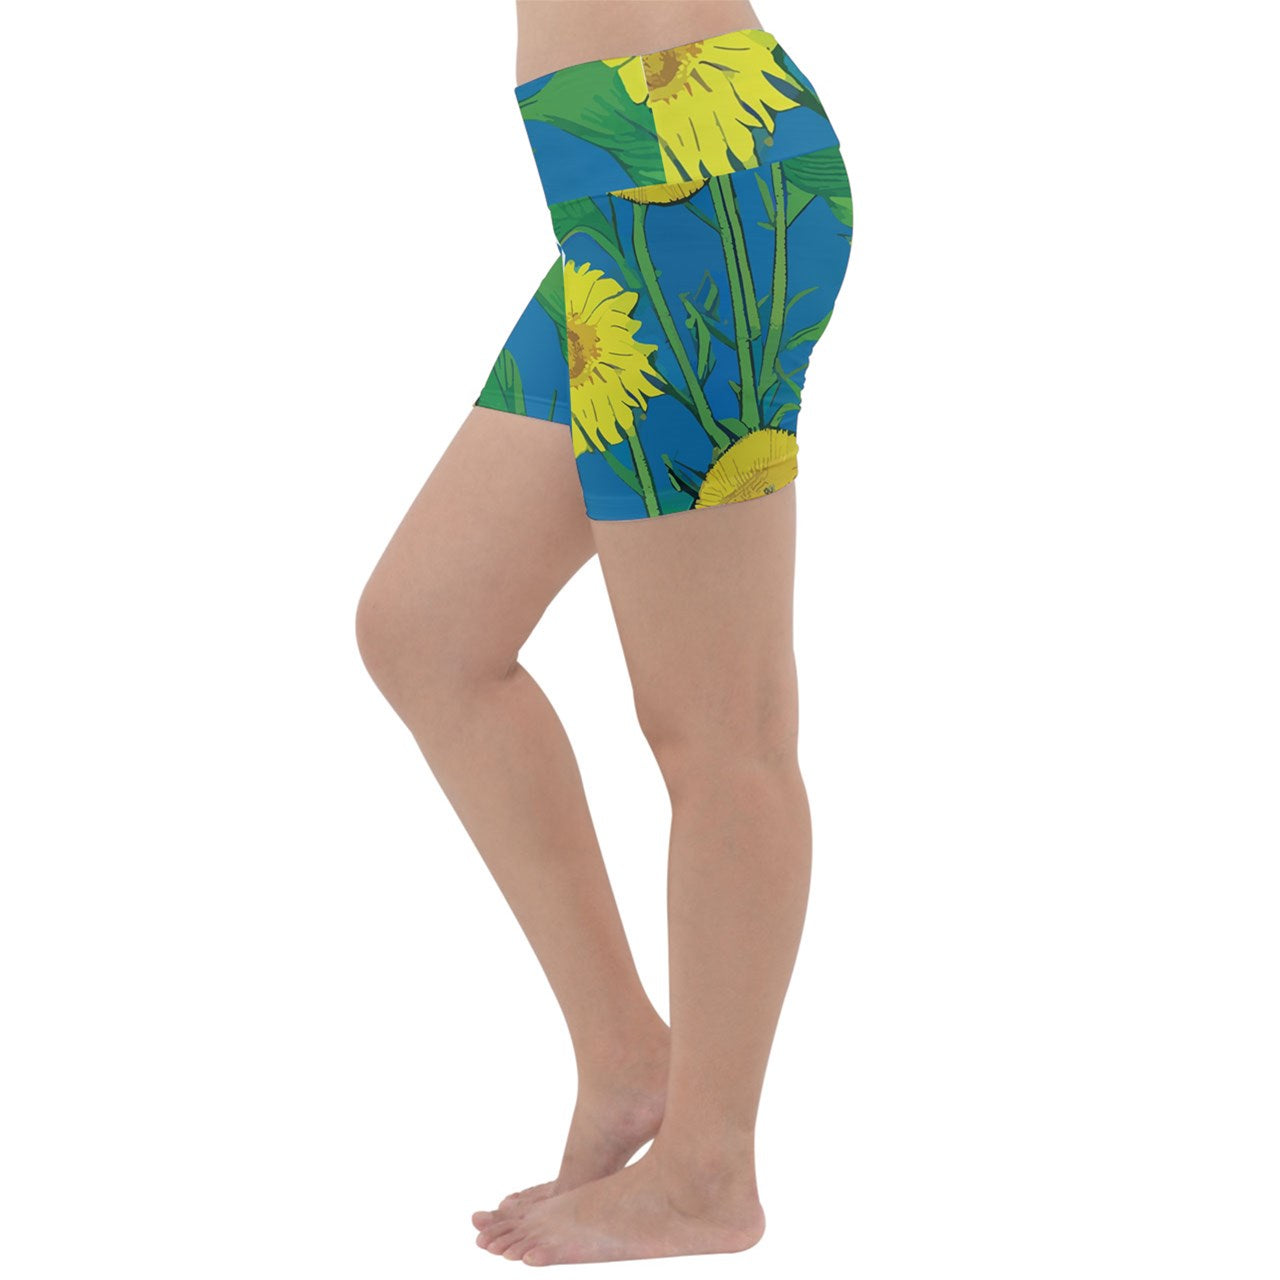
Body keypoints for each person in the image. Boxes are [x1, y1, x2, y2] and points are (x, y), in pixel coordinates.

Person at [355, 0, 853, 1265]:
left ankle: (706, 1173)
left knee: (718, 727)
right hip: (618, 180)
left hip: (692, 180)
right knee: (426, 628)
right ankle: (628, 1052)